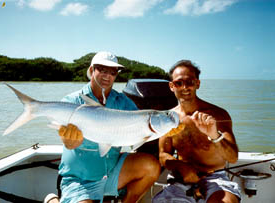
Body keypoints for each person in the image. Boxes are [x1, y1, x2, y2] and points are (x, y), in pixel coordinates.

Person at [45, 51, 161, 203]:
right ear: (92, 70)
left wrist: (167, 131)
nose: (107, 76)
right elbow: (69, 143)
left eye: (112, 72)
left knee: (151, 166)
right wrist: (71, 140)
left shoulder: (123, 102)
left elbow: (138, 136)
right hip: (81, 180)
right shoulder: (71, 101)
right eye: (102, 70)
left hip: (112, 171)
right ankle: (52, 200)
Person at [152, 60, 240, 203]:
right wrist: (181, 166)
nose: (185, 87)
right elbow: (163, 154)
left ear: (197, 84)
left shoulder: (218, 115)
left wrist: (214, 135)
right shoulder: (168, 119)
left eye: (190, 82)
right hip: (180, 180)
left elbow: (232, 158)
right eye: (178, 83)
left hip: (216, 179)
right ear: (171, 86)